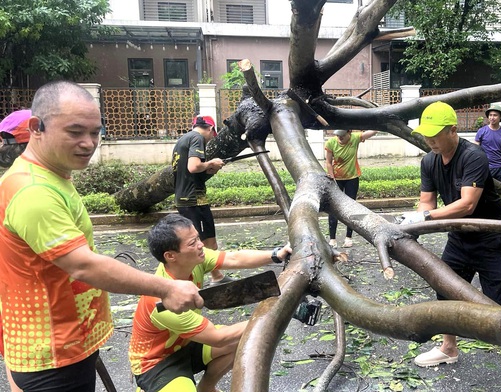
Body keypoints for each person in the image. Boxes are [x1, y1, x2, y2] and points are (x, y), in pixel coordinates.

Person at [0, 81, 202, 392]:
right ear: (36, 127)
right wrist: (165, 287)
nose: (88, 142)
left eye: (95, 132)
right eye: (75, 132)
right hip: (53, 354)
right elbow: (84, 265)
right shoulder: (33, 191)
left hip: (62, 342)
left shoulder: (49, 175)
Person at [401, 102, 501, 392]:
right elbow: (427, 201)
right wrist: (416, 221)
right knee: (444, 292)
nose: (429, 140)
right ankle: (449, 348)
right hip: (459, 238)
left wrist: (425, 216)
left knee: (497, 302)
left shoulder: (474, 155)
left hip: (490, 237)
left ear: (453, 130)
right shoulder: (429, 160)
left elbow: (467, 204)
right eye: (426, 135)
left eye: (435, 134)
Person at [129, 214, 291, 392]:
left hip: (187, 343)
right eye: (192, 243)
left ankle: (206, 388)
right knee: (229, 338)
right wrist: (274, 316)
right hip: (157, 363)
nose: (200, 245)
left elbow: (233, 258)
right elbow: (218, 338)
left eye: (198, 238)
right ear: (170, 256)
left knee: (241, 340)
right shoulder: (161, 302)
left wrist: (276, 254)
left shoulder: (195, 259)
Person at [172, 115, 228, 283]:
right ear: (210, 129)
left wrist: (212, 169)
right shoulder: (197, 138)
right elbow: (194, 166)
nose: (211, 139)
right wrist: (210, 163)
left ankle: (216, 276)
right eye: (213, 135)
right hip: (194, 200)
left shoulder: (184, 139)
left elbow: (191, 173)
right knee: (204, 242)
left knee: (202, 240)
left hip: (186, 198)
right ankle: (189, 281)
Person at [325, 129, 377, 248]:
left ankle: (348, 237)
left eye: (342, 135)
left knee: (351, 207)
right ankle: (332, 239)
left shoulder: (355, 138)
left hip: (352, 178)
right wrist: (331, 176)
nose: (340, 137)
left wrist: (377, 127)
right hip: (336, 179)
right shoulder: (331, 143)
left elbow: (368, 134)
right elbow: (328, 162)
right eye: (338, 135)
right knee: (333, 208)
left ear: (349, 133)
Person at [474, 105, 501, 183]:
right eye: (490, 115)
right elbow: (475, 150)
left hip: (500, 168)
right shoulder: (482, 131)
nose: (492, 117)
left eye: (495, 115)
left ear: (500, 117)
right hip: (486, 167)